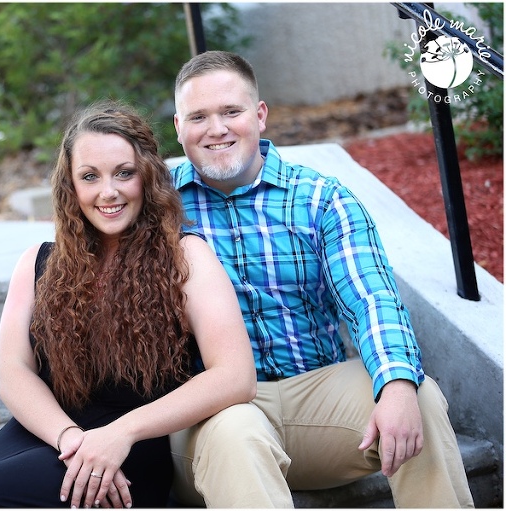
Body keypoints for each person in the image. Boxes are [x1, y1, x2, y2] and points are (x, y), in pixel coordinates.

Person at [0, 101, 255, 508]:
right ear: (71, 186)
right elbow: (14, 372)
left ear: (147, 177)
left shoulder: (185, 256)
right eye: (89, 176)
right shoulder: (38, 263)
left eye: (123, 174)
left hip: (131, 450)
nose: (107, 192)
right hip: (48, 434)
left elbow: (235, 375)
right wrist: (69, 438)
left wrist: (121, 433)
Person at [168, 50, 474, 508]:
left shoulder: (320, 199)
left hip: (317, 397)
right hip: (213, 413)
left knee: (419, 396)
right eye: (199, 117)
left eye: (231, 111)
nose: (217, 128)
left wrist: (395, 385)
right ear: (178, 127)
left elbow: (371, 299)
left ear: (260, 114)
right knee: (237, 432)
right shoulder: (159, 208)